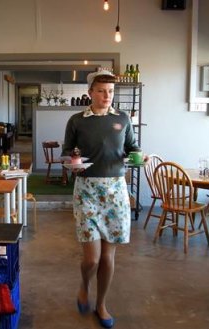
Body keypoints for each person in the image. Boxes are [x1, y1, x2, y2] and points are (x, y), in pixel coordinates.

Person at [62, 70, 139, 329]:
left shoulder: (122, 118)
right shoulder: (76, 120)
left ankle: (101, 303)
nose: (107, 96)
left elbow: (133, 148)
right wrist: (72, 164)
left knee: (108, 257)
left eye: (111, 92)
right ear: (90, 93)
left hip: (116, 190)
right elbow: (67, 153)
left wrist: (140, 157)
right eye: (102, 91)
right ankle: (84, 286)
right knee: (92, 258)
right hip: (87, 190)